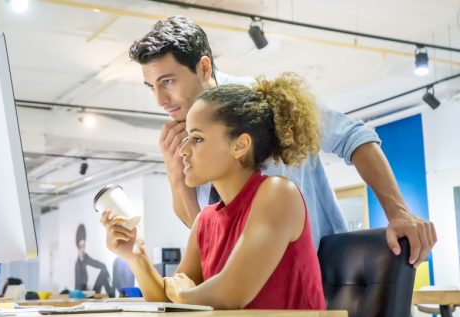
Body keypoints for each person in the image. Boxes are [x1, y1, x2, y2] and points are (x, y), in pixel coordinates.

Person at [128, 16, 436, 267]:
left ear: (204, 67)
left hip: (315, 272)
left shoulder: (267, 101)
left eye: (168, 82)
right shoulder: (184, 137)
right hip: (244, 280)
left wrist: (398, 212)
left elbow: (354, 137)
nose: (159, 99)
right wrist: (176, 179)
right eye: (150, 86)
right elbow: (205, 229)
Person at [103, 74, 325, 309]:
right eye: (187, 137)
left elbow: (228, 295)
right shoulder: (205, 220)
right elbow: (167, 303)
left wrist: (179, 295)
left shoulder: (279, 194)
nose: (183, 150)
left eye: (197, 138)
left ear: (240, 146)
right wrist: (136, 255)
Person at [74, 224, 115, 297]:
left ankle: (112, 295)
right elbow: (77, 289)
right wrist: (86, 291)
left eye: (84, 246)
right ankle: (112, 295)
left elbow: (102, 265)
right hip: (84, 296)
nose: (83, 249)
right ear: (78, 246)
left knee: (104, 271)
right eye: (81, 246)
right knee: (104, 272)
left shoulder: (85, 258)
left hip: (90, 293)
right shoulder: (77, 265)